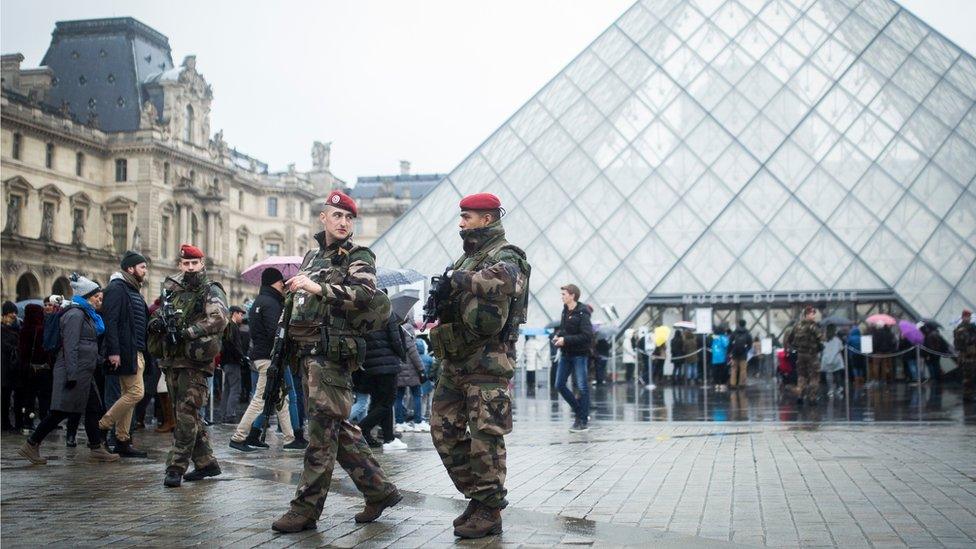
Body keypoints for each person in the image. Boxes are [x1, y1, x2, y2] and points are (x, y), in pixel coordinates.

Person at [271, 190, 401, 533]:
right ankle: (380, 490)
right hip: (308, 355)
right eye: (337, 215)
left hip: (333, 359)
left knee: (321, 436)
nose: (343, 222)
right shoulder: (312, 256)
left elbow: (363, 295)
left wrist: (317, 289)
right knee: (335, 428)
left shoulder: (358, 256)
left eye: (348, 217)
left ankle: (305, 510)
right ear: (323, 218)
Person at [428, 192, 530, 539]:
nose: (461, 223)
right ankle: (480, 497)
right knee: (443, 430)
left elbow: (504, 282)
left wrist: (454, 279)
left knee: (486, 436)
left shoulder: (506, 254)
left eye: (466, 217)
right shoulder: (467, 257)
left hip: (487, 361)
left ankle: (489, 509)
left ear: (487, 219)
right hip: (455, 360)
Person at [149, 244, 229, 488]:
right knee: (186, 413)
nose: (191, 268)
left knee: (185, 414)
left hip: (195, 361)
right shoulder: (172, 288)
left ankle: (175, 467)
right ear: (180, 264)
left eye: (195, 263)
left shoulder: (210, 289)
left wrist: (190, 331)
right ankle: (206, 463)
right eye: (186, 264)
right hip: (172, 359)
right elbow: (161, 312)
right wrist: (156, 323)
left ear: (202, 264)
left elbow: (219, 318)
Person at [18, 275, 119, 464]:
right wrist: (72, 375)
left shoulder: (86, 315)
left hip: (84, 371)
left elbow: (86, 346)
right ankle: (31, 444)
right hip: (74, 371)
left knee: (93, 409)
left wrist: (100, 361)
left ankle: (96, 447)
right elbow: (70, 346)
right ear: (87, 296)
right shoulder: (76, 314)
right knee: (60, 411)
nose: (100, 299)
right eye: (96, 296)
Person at [229, 267, 299, 452]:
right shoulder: (271, 303)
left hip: (264, 356)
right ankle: (238, 437)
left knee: (281, 398)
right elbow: (275, 333)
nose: (283, 285)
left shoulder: (260, 301)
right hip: (270, 358)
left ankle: (290, 438)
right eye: (281, 283)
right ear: (275, 283)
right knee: (260, 399)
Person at [97, 250, 150, 458]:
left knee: (129, 395)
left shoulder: (133, 289)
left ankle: (122, 440)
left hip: (135, 350)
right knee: (136, 393)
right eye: (142, 267)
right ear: (130, 268)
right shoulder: (117, 289)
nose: (145, 271)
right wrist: (114, 351)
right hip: (125, 352)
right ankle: (102, 427)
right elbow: (111, 321)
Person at [359, 311, 406, 449]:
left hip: (369, 365)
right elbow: (395, 339)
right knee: (387, 402)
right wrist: (402, 354)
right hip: (387, 363)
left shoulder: (362, 314)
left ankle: (388, 438)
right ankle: (360, 428)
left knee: (378, 402)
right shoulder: (386, 312)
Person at [553, 284, 592, 432]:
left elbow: (587, 335)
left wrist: (566, 340)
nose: (562, 296)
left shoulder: (583, 312)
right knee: (559, 385)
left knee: (582, 387)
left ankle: (582, 420)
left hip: (579, 355)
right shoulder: (565, 311)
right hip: (566, 354)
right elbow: (564, 330)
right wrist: (558, 336)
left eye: (564, 294)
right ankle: (580, 412)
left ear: (572, 296)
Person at [17, 304, 48, 433]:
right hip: (39, 368)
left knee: (27, 396)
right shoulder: (40, 329)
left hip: (25, 368)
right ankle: (36, 421)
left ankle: (26, 422)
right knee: (39, 396)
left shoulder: (24, 328)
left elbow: (22, 350)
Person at [395, 320, 427, 433]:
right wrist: (421, 368)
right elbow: (412, 350)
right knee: (417, 394)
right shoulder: (407, 328)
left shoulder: (394, 327)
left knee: (398, 396)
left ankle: (399, 422)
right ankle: (418, 422)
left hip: (398, 367)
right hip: (411, 368)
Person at [218, 305, 247, 423]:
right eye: (240, 314)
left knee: (228, 389)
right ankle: (230, 415)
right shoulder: (233, 327)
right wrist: (242, 357)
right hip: (233, 362)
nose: (242, 316)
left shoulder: (226, 326)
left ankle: (224, 413)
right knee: (235, 389)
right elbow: (234, 346)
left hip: (226, 362)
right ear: (234, 313)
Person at [790, 306, 823, 405]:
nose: (813, 316)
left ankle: (800, 395)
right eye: (812, 314)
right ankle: (812, 397)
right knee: (814, 376)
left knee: (802, 376)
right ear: (807, 315)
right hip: (812, 355)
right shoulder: (813, 326)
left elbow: (790, 339)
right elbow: (821, 338)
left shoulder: (797, 326)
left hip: (800, 355)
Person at [2, 301, 20, 431]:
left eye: (14, 313)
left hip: (10, 369)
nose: (13, 315)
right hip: (3, 368)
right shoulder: (2, 330)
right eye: (11, 313)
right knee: (3, 397)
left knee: (7, 397)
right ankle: (4, 422)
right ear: (4, 315)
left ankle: (6, 422)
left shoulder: (15, 329)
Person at [953, 310, 975, 403]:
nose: (968, 318)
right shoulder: (961, 329)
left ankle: (970, 394)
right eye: (966, 316)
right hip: (966, 356)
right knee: (968, 376)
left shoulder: (970, 328)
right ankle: (967, 395)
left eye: (969, 316)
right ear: (963, 317)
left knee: (972, 376)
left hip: (972, 356)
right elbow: (965, 343)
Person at [820, 325, 844, 398]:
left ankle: (830, 389)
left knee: (829, 374)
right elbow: (841, 348)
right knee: (837, 374)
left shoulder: (824, 339)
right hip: (836, 359)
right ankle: (839, 387)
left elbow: (821, 348)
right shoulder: (837, 340)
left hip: (826, 359)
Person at [729, 320, 753, 389]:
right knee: (743, 369)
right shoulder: (747, 333)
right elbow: (750, 344)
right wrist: (746, 350)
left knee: (734, 369)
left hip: (735, 353)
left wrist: (730, 351)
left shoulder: (734, 332)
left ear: (739, 324)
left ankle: (733, 384)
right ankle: (742, 384)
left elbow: (730, 342)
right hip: (743, 354)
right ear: (745, 324)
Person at [708, 326, 730, 392]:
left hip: (714, 357)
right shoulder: (723, 338)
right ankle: (722, 384)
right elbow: (727, 345)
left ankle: (717, 384)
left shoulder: (714, 337)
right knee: (723, 371)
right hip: (722, 357)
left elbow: (710, 344)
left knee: (716, 371)